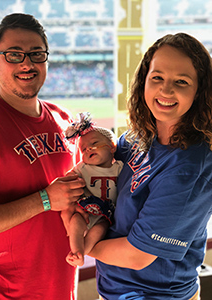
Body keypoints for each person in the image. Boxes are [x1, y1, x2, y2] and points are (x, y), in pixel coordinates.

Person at [89, 33, 212, 300]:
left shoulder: (190, 166)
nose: (166, 91)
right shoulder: (136, 138)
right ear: (144, 80)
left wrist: (83, 246)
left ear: (199, 91)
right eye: (157, 77)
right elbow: (101, 176)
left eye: (181, 81)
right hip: (113, 290)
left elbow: (137, 255)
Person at [0, 13, 86, 299]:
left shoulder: (62, 118)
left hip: (62, 286)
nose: (27, 63)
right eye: (14, 55)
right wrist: (44, 199)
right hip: (9, 292)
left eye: (36, 54)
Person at [61, 113, 123, 267]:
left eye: (94, 143)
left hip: (105, 214)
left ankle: (82, 252)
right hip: (84, 211)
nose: (88, 149)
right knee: (75, 221)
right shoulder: (83, 168)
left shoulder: (120, 168)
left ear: (112, 146)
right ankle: (76, 250)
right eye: (83, 150)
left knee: (100, 228)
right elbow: (68, 178)